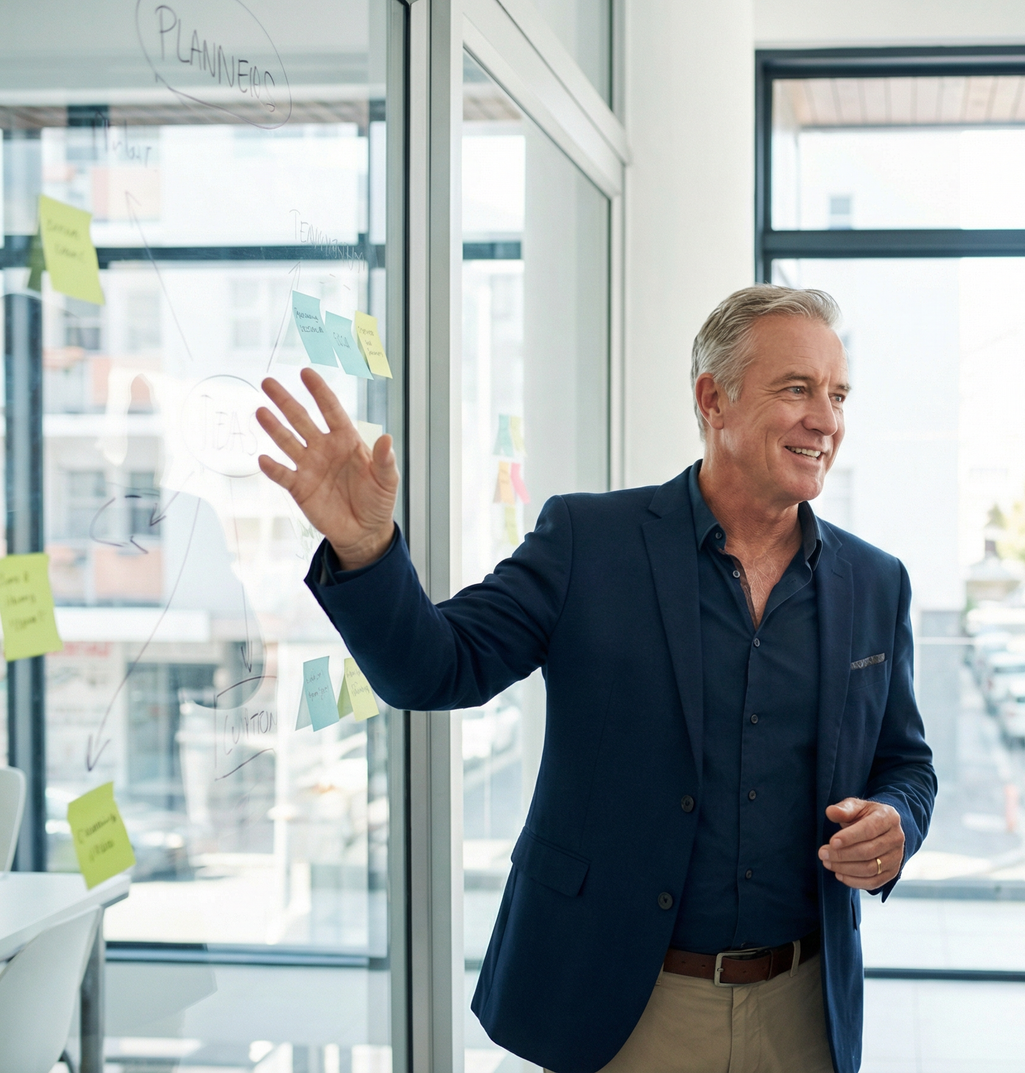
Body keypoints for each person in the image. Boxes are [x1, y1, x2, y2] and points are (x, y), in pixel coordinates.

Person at [252, 285, 937, 1073]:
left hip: (804, 1008)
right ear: (713, 399)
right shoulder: (589, 541)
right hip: (626, 1003)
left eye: (838, 395)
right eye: (797, 389)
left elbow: (907, 763)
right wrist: (368, 551)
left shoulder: (876, 581)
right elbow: (436, 667)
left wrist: (896, 821)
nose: (826, 419)